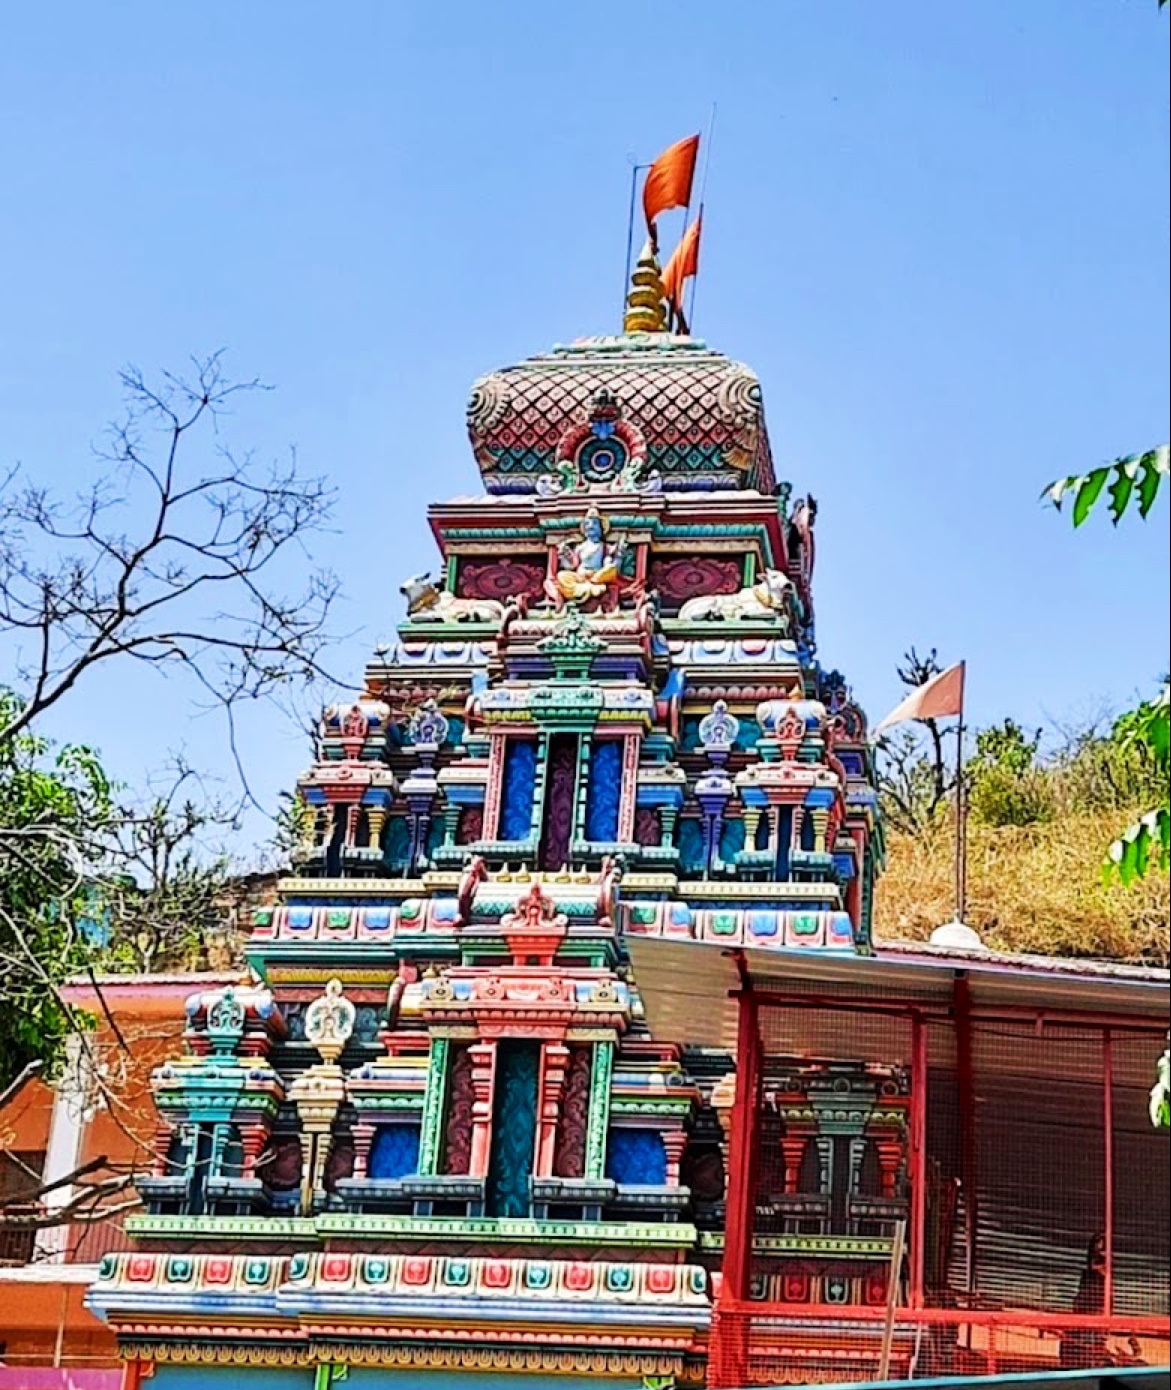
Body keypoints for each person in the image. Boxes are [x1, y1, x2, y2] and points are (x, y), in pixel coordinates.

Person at [1059, 1233, 1107, 1369]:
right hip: (1088, 1303)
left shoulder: (1103, 1265)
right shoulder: (1090, 1269)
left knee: (1095, 1333)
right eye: (1099, 1243)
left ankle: (1092, 1356)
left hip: (1096, 1302)